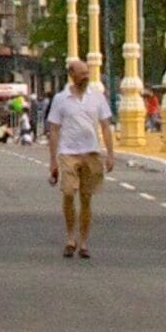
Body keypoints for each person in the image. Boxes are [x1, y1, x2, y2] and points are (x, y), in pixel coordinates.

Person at [47, 57, 113, 259]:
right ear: (72, 75)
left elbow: (105, 126)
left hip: (91, 152)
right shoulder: (60, 99)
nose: (86, 77)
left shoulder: (97, 97)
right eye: (82, 73)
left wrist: (110, 154)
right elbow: (54, 130)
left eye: (87, 73)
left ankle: (83, 242)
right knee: (68, 193)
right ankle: (70, 238)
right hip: (68, 153)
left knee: (86, 198)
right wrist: (53, 161)